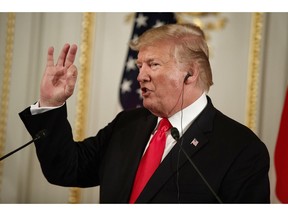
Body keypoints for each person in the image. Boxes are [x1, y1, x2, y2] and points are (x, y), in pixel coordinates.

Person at [19, 23, 270, 203]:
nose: (140, 75)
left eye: (153, 64)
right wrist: (50, 103)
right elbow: (66, 168)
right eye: (140, 65)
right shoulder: (127, 124)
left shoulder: (242, 149)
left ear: (190, 74)